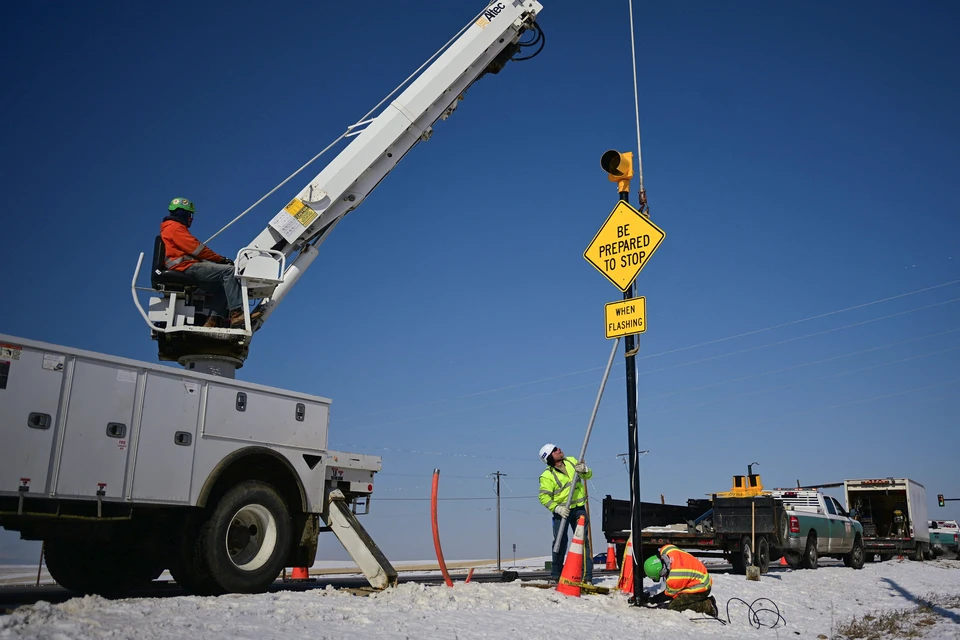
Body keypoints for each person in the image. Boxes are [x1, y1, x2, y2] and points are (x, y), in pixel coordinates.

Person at [160, 197, 261, 329]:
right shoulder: (175, 228)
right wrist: (220, 259)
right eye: (190, 215)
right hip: (185, 268)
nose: (191, 219)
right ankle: (237, 314)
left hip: (182, 268)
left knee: (222, 288)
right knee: (229, 272)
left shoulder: (169, 228)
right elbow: (197, 249)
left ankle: (212, 321)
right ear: (182, 213)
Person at [538, 443, 593, 585]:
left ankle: (587, 577)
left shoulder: (572, 461)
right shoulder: (547, 476)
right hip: (561, 513)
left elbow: (589, 475)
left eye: (557, 447)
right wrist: (557, 509)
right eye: (555, 450)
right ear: (550, 457)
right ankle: (556, 575)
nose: (559, 449)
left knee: (583, 542)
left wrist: (585, 470)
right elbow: (543, 497)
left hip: (579, 509)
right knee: (559, 543)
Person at [643, 543, 718, 617]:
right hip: (701, 574)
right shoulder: (667, 549)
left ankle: (707, 605)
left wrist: (652, 600)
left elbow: (667, 595)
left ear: (662, 572)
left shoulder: (674, 578)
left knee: (675, 606)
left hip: (702, 588)